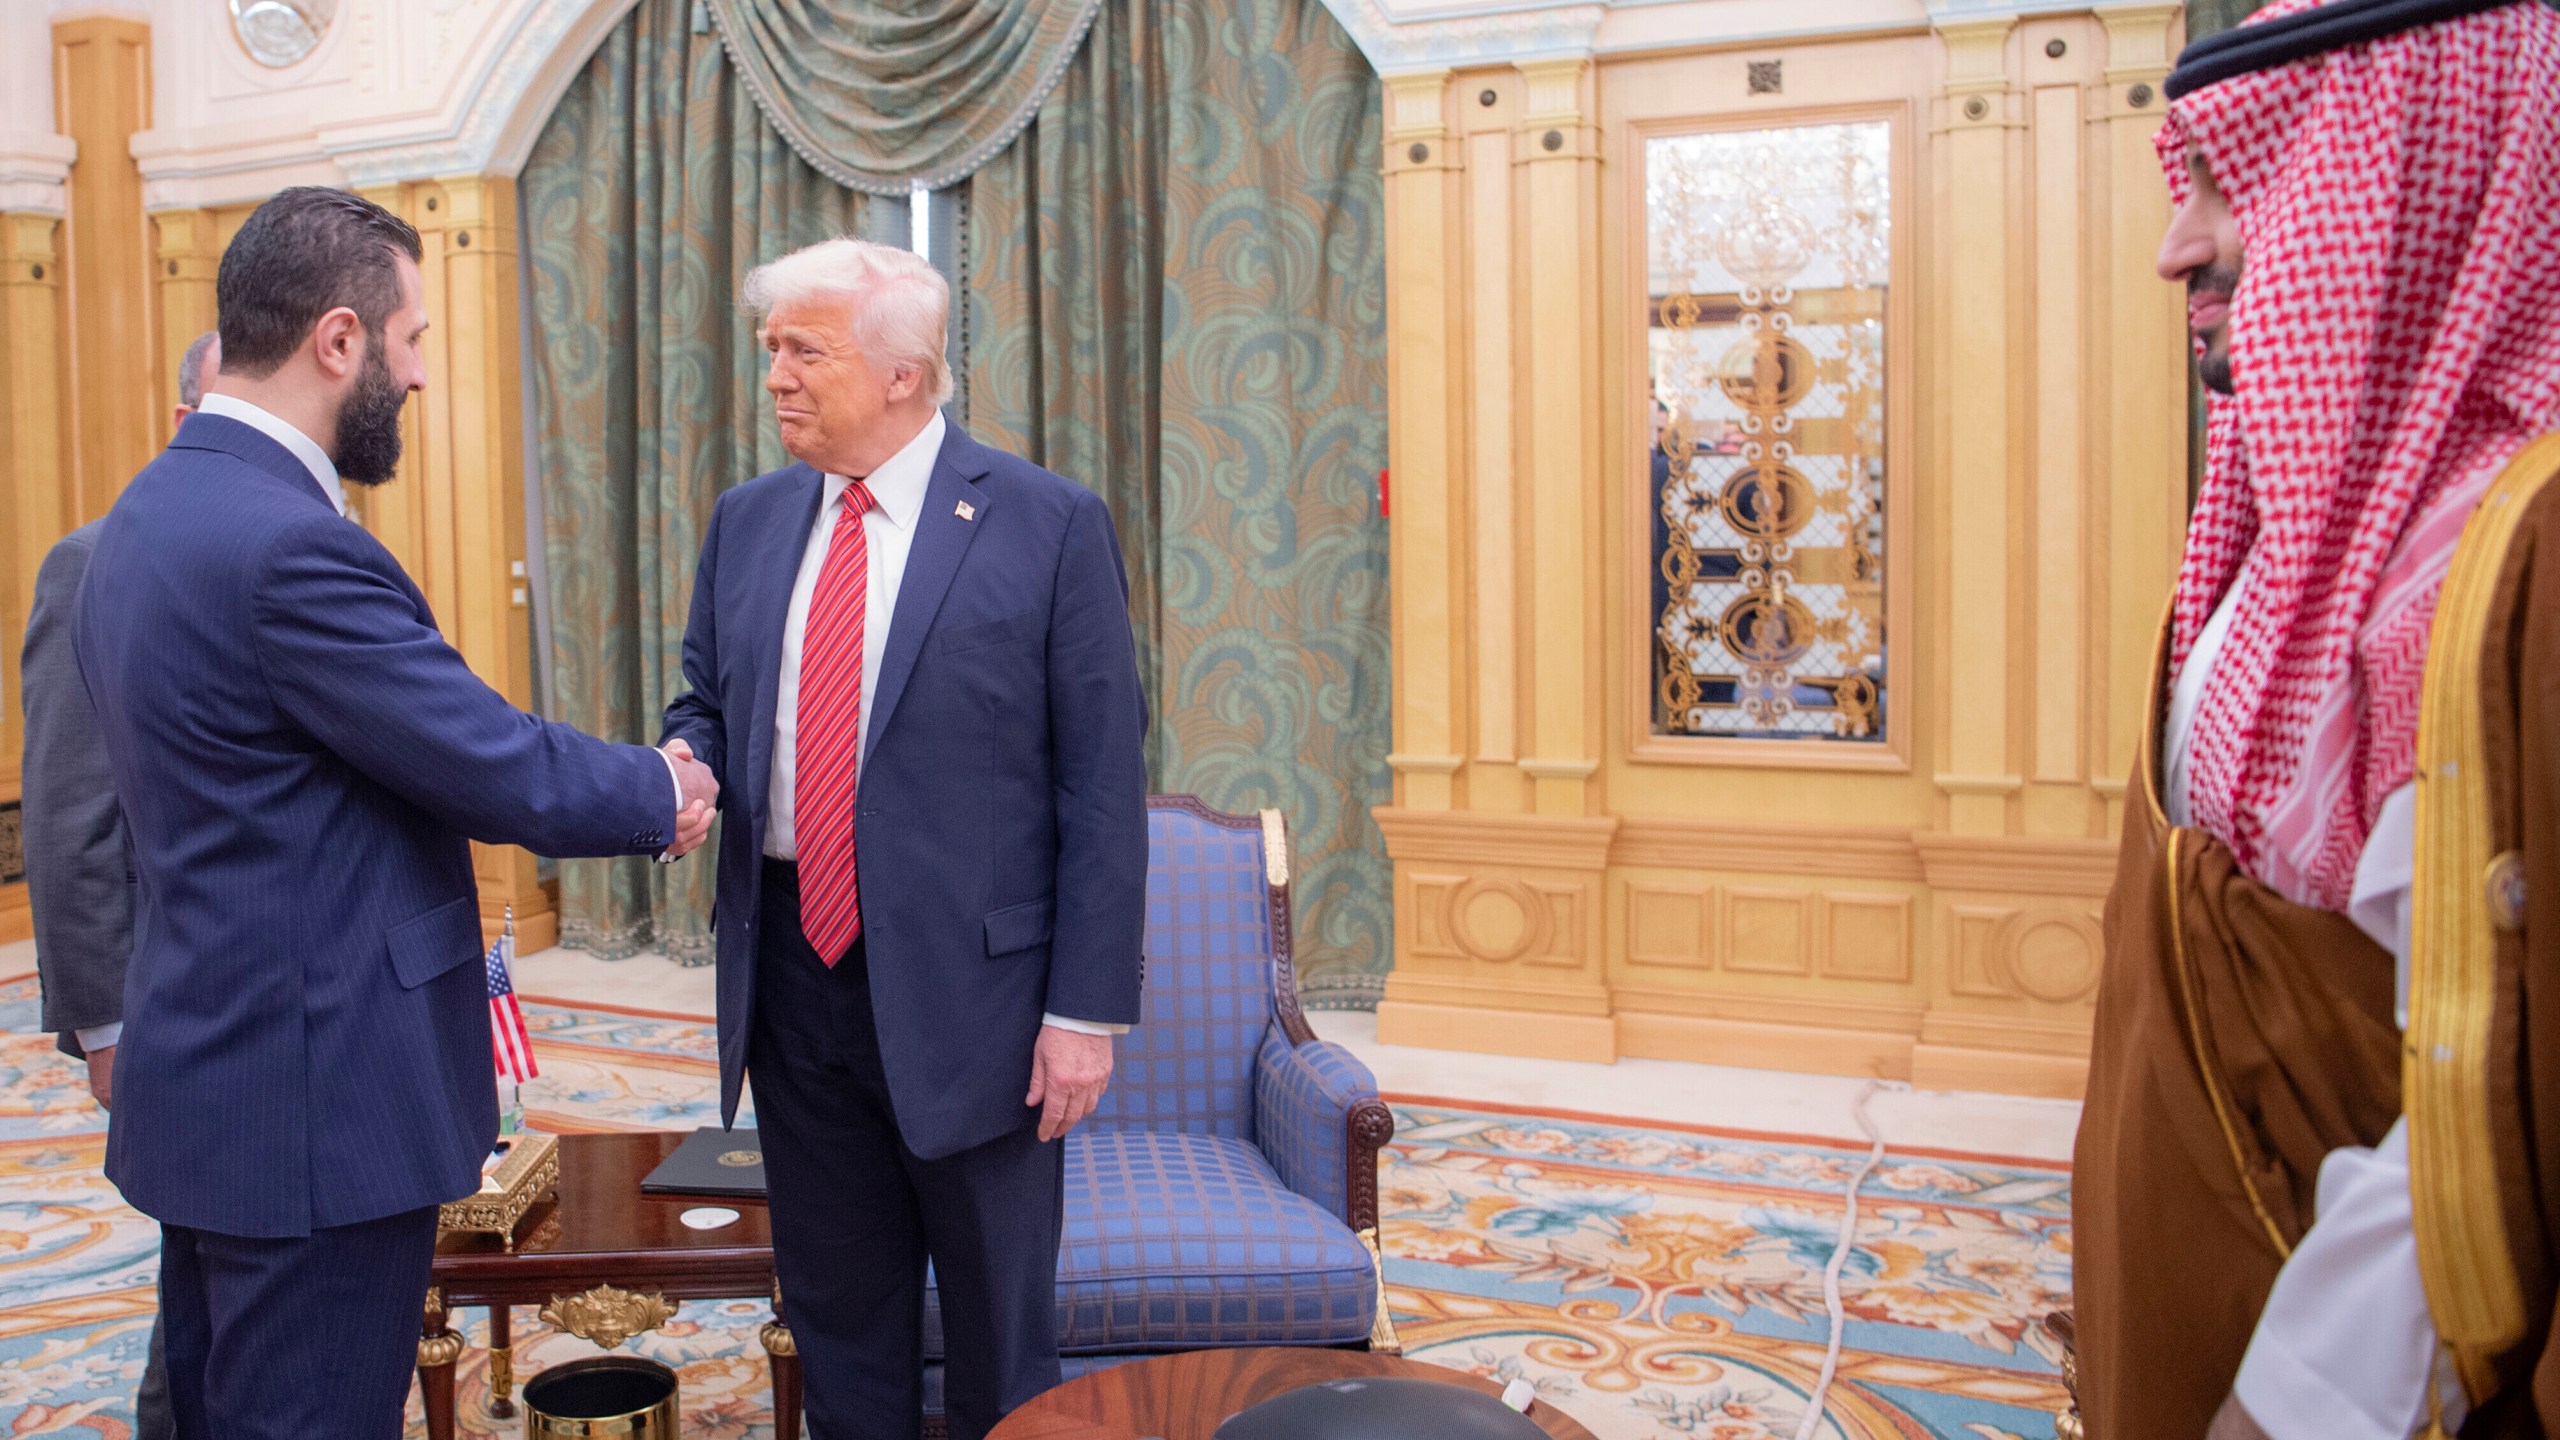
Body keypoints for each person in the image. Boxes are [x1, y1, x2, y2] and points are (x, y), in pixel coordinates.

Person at [73, 186, 719, 1439]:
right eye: (411, 340)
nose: (419, 378)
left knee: (216, 1407)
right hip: (316, 1100)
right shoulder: (289, 546)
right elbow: (485, 758)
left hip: (213, 1078)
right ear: (338, 340)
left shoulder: (148, 512)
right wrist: (661, 788)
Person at [2070, 0, 2560, 1436]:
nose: (2179, 244)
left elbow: (2478, 1099)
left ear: (2413, 185)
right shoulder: (2310, 525)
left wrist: (2293, 1404)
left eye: (2232, 185)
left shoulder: (2504, 562)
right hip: (2200, 1289)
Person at [659, 237, 1147, 1440]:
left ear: (903, 373)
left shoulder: (1046, 524)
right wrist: (682, 763)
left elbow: (1101, 787)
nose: (773, 375)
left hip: (980, 1000)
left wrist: (1083, 1015)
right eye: (770, 347)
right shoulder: (749, 519)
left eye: (803, 351)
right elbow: (706, 701)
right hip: (789, 977)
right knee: (839, 1312)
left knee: (997, 1327)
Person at [19, 328, 217, 1440]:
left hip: (265, 1006)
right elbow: (67, 810)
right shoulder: (95, 561)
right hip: (167, 1007)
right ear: (187, 421)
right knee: (195, 1294)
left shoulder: (307, 544)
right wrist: (104, 1025)